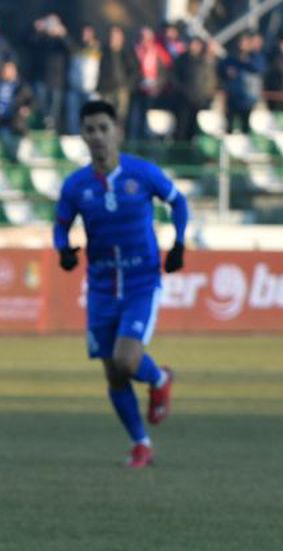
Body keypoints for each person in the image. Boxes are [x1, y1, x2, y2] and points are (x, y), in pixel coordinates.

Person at [53, 99, 187, 469]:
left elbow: (179, 202)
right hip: (101, 287)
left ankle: (160, 377)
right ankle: (141, 443)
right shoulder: (76, 185)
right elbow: (61, 224)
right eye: (90, 130)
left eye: (103, 128)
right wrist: (63, 250)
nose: (97, 136)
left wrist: (179, 242)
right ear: (82, 135)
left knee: (127, 360)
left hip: (141, 281)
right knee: (113, 372)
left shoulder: (142, 174)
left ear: (117, 132)